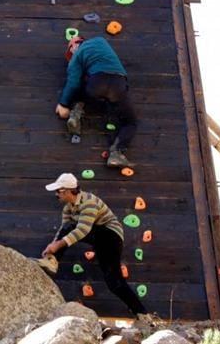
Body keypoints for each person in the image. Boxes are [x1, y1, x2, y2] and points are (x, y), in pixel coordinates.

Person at [42, 173, 148, 318]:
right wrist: (51, 248)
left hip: (111, 236)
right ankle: (142, 314)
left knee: (113, 281)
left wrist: (57, 245)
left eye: (58, 191)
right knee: (114, 282)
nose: (56, 195)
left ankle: (143, 315)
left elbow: (82, 230)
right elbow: (63, 231)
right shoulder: (68, 208)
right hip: (98, 238)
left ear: (67, 191)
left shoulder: (89, 202)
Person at [55, 35, 137, 167]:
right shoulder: (101, 40)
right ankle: (116, 153)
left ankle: (76, 112)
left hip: (96, 84)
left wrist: (63, 104)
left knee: (81, 82)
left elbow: (73, 82)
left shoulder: (77, 54)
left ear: (75, 46)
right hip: (118, 84)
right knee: (130, 122)